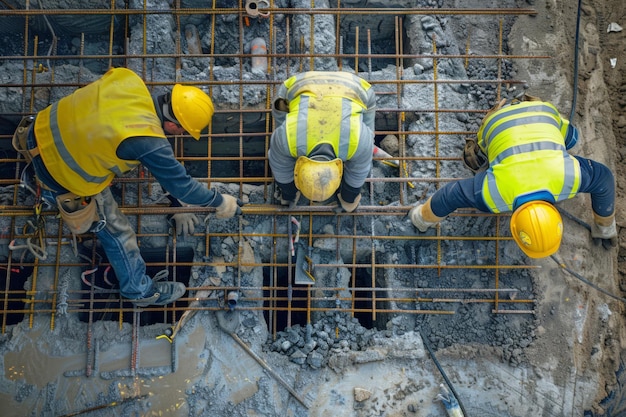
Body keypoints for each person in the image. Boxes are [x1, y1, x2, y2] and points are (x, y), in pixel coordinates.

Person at [12, 67, 243, 306]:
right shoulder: (149, 141)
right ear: (174, 125)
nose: (181, 134)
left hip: (34, 131)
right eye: (183, 131)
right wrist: (220, 201)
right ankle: (139, 291)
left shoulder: (128, 78)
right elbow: (182, 186)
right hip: (57, 172)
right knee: (119, 232)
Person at [408, 95, 617, 258]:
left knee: (570, 139)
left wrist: (421, 218)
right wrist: (603, 225)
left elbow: (605, 179)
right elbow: (449, 196)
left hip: (542, 112)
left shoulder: (570, 177)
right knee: (477, 159)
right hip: (497, 122)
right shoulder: (492, 195)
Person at [268, 71, 376, 212]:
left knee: (368, 134)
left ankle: (292, 119)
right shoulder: (285, 139)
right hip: (298, 86)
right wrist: (288, 193)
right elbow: (279, 168)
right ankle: (290, 119)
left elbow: (359, 171)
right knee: (281, 115)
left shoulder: (359, 142)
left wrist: (349, 198)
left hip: (357, 90)